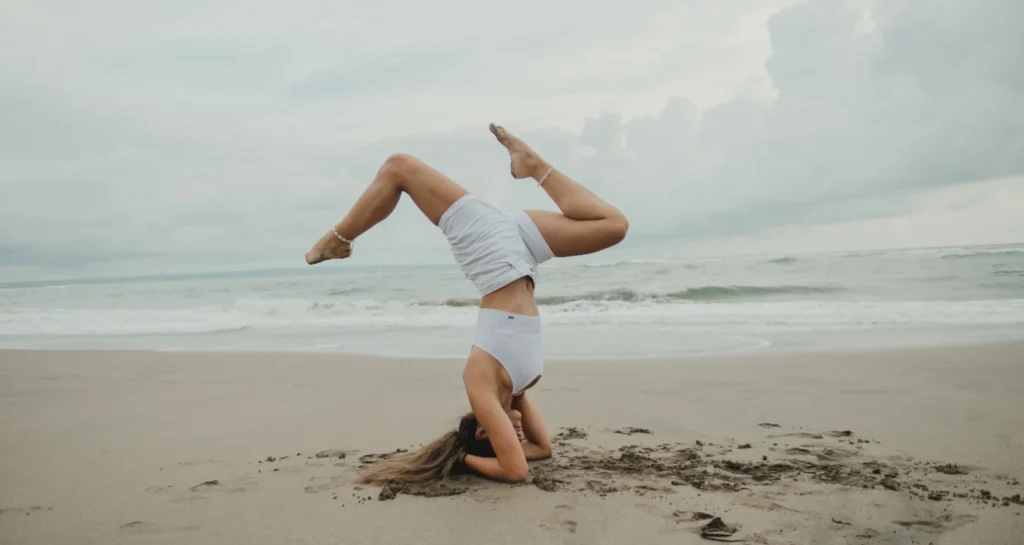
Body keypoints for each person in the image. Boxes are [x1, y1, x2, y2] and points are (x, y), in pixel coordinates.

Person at [305, 124, 629, 483]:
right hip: (521, 255)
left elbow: (515, 471)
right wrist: (511, 436)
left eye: (507, 438)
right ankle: (534, 167)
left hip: (494, 258)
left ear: (483, 432)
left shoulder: (481, 386)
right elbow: (541, 451)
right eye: (514, 439)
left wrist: (464, 460)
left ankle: (339, 239)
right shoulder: (516, 390)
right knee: (614, 225)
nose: (519, 439)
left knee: (398, 167)